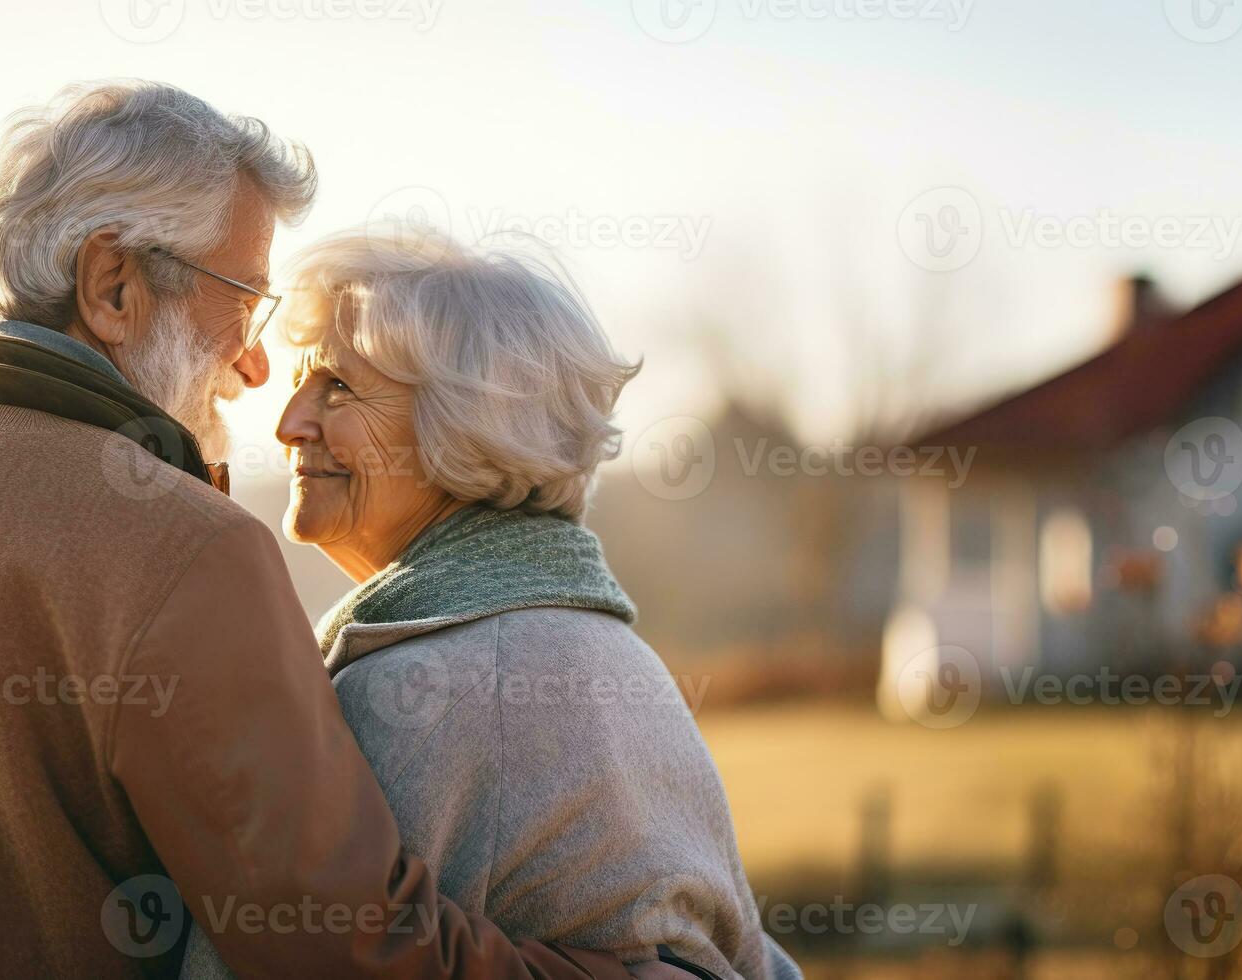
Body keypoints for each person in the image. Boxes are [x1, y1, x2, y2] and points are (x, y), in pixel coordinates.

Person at [0, 79, 639, 979]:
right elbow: (344, 957)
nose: (256, 365)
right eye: (244, 299)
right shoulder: (183, 548)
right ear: (114, 285)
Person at [180, 229, 796, 980]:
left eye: (337, 386)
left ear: (468, 427)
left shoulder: (423, 689)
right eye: (300, 385)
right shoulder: (620, 657)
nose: (288, 424)